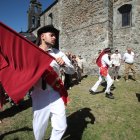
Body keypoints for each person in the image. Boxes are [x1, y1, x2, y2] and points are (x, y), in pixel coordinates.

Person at [31, 25, 75, 140]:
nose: (54, 38)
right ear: (42, 36)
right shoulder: (32, 52)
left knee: (61, 126)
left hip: (55, 93)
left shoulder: (58, 53)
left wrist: (64, 64)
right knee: (39, 127)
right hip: (39, 94)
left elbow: (72, 70)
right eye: (52, 35)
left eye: (55, 35)